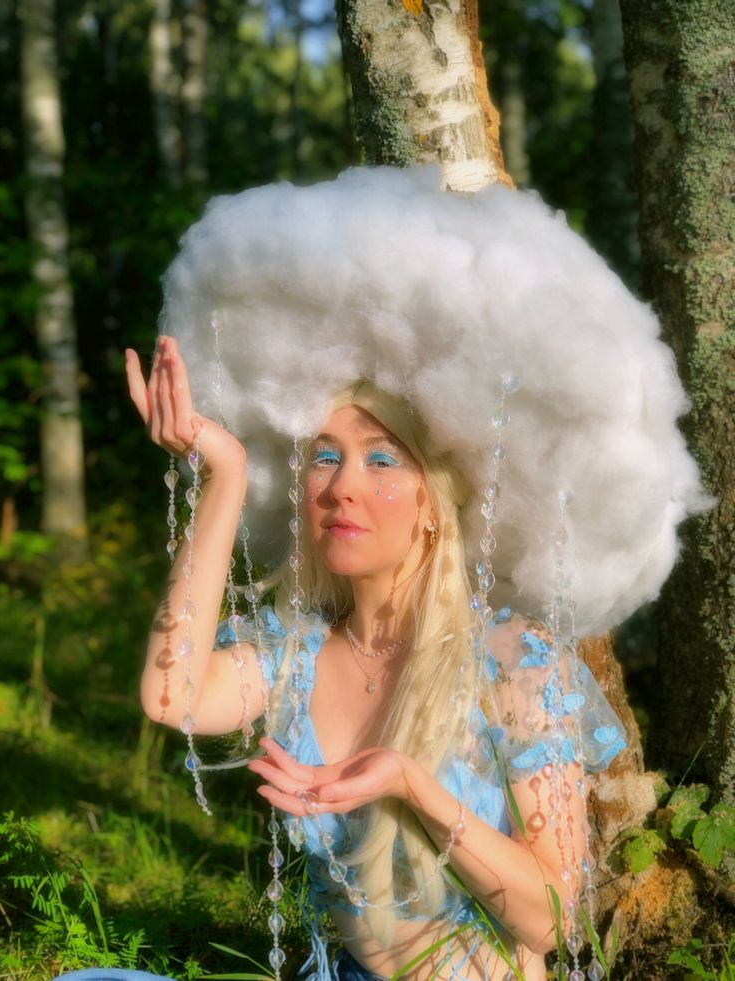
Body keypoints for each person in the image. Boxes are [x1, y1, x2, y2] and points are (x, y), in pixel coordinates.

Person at [54, 164, 709, 981]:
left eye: (381, 459)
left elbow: (553, 919)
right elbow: (172, 695)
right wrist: (220, 476)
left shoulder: (515, 664)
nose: (343, 484)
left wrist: (411, 787)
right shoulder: (296, 653)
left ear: (433, 504)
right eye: (324, 457)